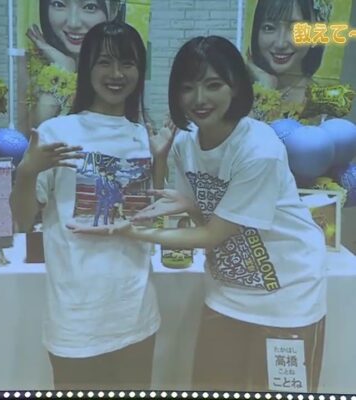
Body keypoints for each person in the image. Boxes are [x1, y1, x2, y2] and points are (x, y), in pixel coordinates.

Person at [68, 35, 327, 393]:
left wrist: (130, 232)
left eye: (213, 85)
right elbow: (200, 215)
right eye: (187, 88)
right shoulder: (186, 144)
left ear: (236, 87)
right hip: (225, 296)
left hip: (288, 299)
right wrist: (173, 184)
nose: (199, 99)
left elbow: (212, 234)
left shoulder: (259, 149)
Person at [10, 21, 162, 390]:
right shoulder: (57, 132)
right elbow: (22, 220)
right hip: (75, 323)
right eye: (104, 62)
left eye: (127, 63)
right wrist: (27, 172)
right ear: (86, 69)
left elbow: (151, 221)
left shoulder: (145, 136)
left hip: (137, 316)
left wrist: (159, 162)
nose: (116, 74)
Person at [20, 0, 122, 130]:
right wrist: (62, 71)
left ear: (114, 10)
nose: (74, 23)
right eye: (59, 4)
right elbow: (30, 133)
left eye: (90, 7)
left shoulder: (122, 65)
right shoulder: (28, 60)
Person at [248, 0, 329, 104]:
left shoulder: (323, 101)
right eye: (269, 28)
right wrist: (265, 85)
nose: (280, 44)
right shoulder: (239, 91)